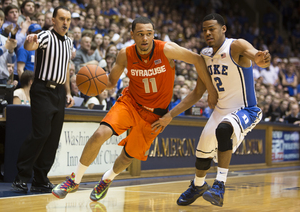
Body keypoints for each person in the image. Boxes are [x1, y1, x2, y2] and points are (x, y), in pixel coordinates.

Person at [52, 16, 217, 201]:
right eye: (140, 34)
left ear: (154, 34)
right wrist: (92, 80)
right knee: (100, 134)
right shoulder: (125, 54)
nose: (145, 39)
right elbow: (112, 82)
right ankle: (74, 180)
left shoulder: (167, 50)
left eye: (149, 34)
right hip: (131, 102)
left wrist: (210, 91)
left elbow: (198, 60)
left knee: (128, 156)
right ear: (132, 35)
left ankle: (107, 179)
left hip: (155, 115)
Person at [152, 13, 271, 207]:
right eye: (204, 30)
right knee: (202, 153)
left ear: (223, 29)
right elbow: (198, 92)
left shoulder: (236, 46)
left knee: (223, 130)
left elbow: (256, 56)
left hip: (246, 109)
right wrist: (170, 115)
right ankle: (198, 185)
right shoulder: (205, 55)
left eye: (212, 29)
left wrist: (261, 58)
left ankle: (219, 185)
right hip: (220, 110)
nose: (207, 33)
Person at [11, 6, 74, 193]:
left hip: (59, 92)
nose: (65, 23)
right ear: (53, 20)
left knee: (53, 138)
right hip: (43, 89)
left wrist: (68, 92)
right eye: (62, 19)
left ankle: (40, 179)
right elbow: (30, 46)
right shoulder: (46, 36)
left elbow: (65, 68)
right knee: (41, 133)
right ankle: (21, 177)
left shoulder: (69, 42)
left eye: (68, 20)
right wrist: (29, 41)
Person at [0, 8, 17, 84]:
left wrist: (11, 51)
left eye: (1, 20)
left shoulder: (4, 38)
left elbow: (11, 61)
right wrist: (6, 47)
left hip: (3, 78)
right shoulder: (6, 42)